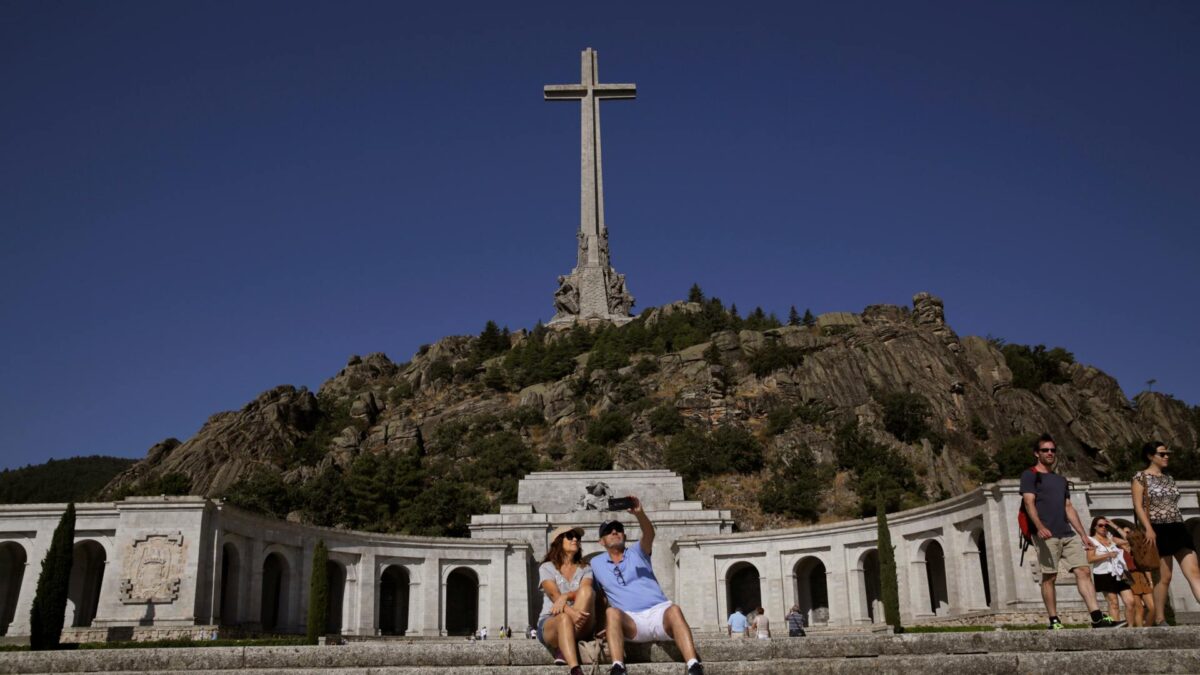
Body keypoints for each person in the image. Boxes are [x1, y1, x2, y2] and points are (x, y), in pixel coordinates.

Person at [1020, 433, 1124, 629]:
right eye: (1045, 450)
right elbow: (1028, 502)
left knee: (1084, 571)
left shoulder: (1060, 480)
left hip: (1067, 534)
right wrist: (1040, 527)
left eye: (1052, 450)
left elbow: (1068, 507)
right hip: (1047, 534)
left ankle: (1096, 618)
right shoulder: (1030, 475)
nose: (1050, 453)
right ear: (1037, 453)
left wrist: (1083, 535)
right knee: (1049, 577)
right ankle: (1054, 620)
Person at [592, 496, 704, 675]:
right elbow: (597, 596)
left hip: (659, 613)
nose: (614, 532)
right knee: (611, 612)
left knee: (674, 609)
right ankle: (618, 667)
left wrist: (640, 514)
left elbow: (649, 534)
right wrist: (598, 626)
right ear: (601, 541)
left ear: (624, 535)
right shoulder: (595, 563)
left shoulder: (638, 551)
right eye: (608, 531)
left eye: (618, 529)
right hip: (631, 621)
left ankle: (693, 665)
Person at [1132, 441, 1200, 626]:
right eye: (1162, 454)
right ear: (1150, 456)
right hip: (1157, 528)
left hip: (1178, 527)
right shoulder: (1140, 477)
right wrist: (1149, 529)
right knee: (1165, 577)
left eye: (1167, 453)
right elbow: (1138, 506)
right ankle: (1160, 617)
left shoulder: (1169, 478)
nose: (1166, 456)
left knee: (1194, 572)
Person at [537, 525, 595, 675]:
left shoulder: (585, 568)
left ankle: (564, 647)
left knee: (587, 591)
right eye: (570, 536)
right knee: (563, 618)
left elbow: (585, 589)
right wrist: (571, 612)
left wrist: (566, 596)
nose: (575, 539)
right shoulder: (547, 567)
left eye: (577, 537)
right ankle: (575, 669)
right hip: (552, 621)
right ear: (558, 541)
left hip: (581, 621)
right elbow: (553, 595)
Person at [1087, 516, 1135, 625]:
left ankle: (1131, 629)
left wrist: (1114, 526)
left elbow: (1129, 541)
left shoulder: (1111, 537)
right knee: (1114, 603)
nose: (1103, 527)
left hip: (1119, 573)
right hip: (1103, 575)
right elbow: (1090, 559)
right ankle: (1116, 629)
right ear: (1095, 527)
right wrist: (1108, 555)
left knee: (1130, 602)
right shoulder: (1091, 540)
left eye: (1106, 525)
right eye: (1100, 525)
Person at [1117, 524, 1156, 628]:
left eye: (1129, 532)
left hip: (1141, 576)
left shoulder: (1137, 547)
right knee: (1139, 608)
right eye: (1125, 532)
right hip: (1129, 577)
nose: (1127, 534)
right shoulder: (1118, 548)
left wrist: (1150, 581)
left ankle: (1146, 628)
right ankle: (1140, 631)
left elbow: (1145, 566)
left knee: (1153, 608)